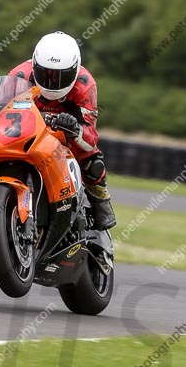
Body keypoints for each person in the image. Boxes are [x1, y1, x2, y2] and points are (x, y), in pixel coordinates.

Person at [7, 31, 116, 231]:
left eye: (60, 76)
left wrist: (74, 128)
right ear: (35, 65)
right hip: (28, 130)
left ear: (74, 71)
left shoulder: (84, 84)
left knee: (93, 162)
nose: (52, 82)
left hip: (64, 132)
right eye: (46, 74)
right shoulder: (19, 76)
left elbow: (90, 138)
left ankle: (100, 199)